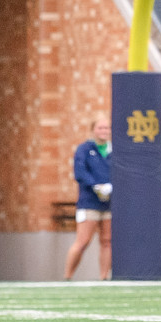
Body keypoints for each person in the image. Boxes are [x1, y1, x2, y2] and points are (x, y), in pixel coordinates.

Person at [63, 118, 112, 280]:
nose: (104, 131)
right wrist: (95, 186)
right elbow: (80, 172)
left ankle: (104, 277)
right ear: (93, 130)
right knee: (83, 241)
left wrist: (111, 187)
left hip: (109, 203)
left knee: (107, 241)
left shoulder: (113, 151)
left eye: (107, 128)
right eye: (100, 128)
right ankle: (68, 276)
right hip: (89, 202)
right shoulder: (84, 149)